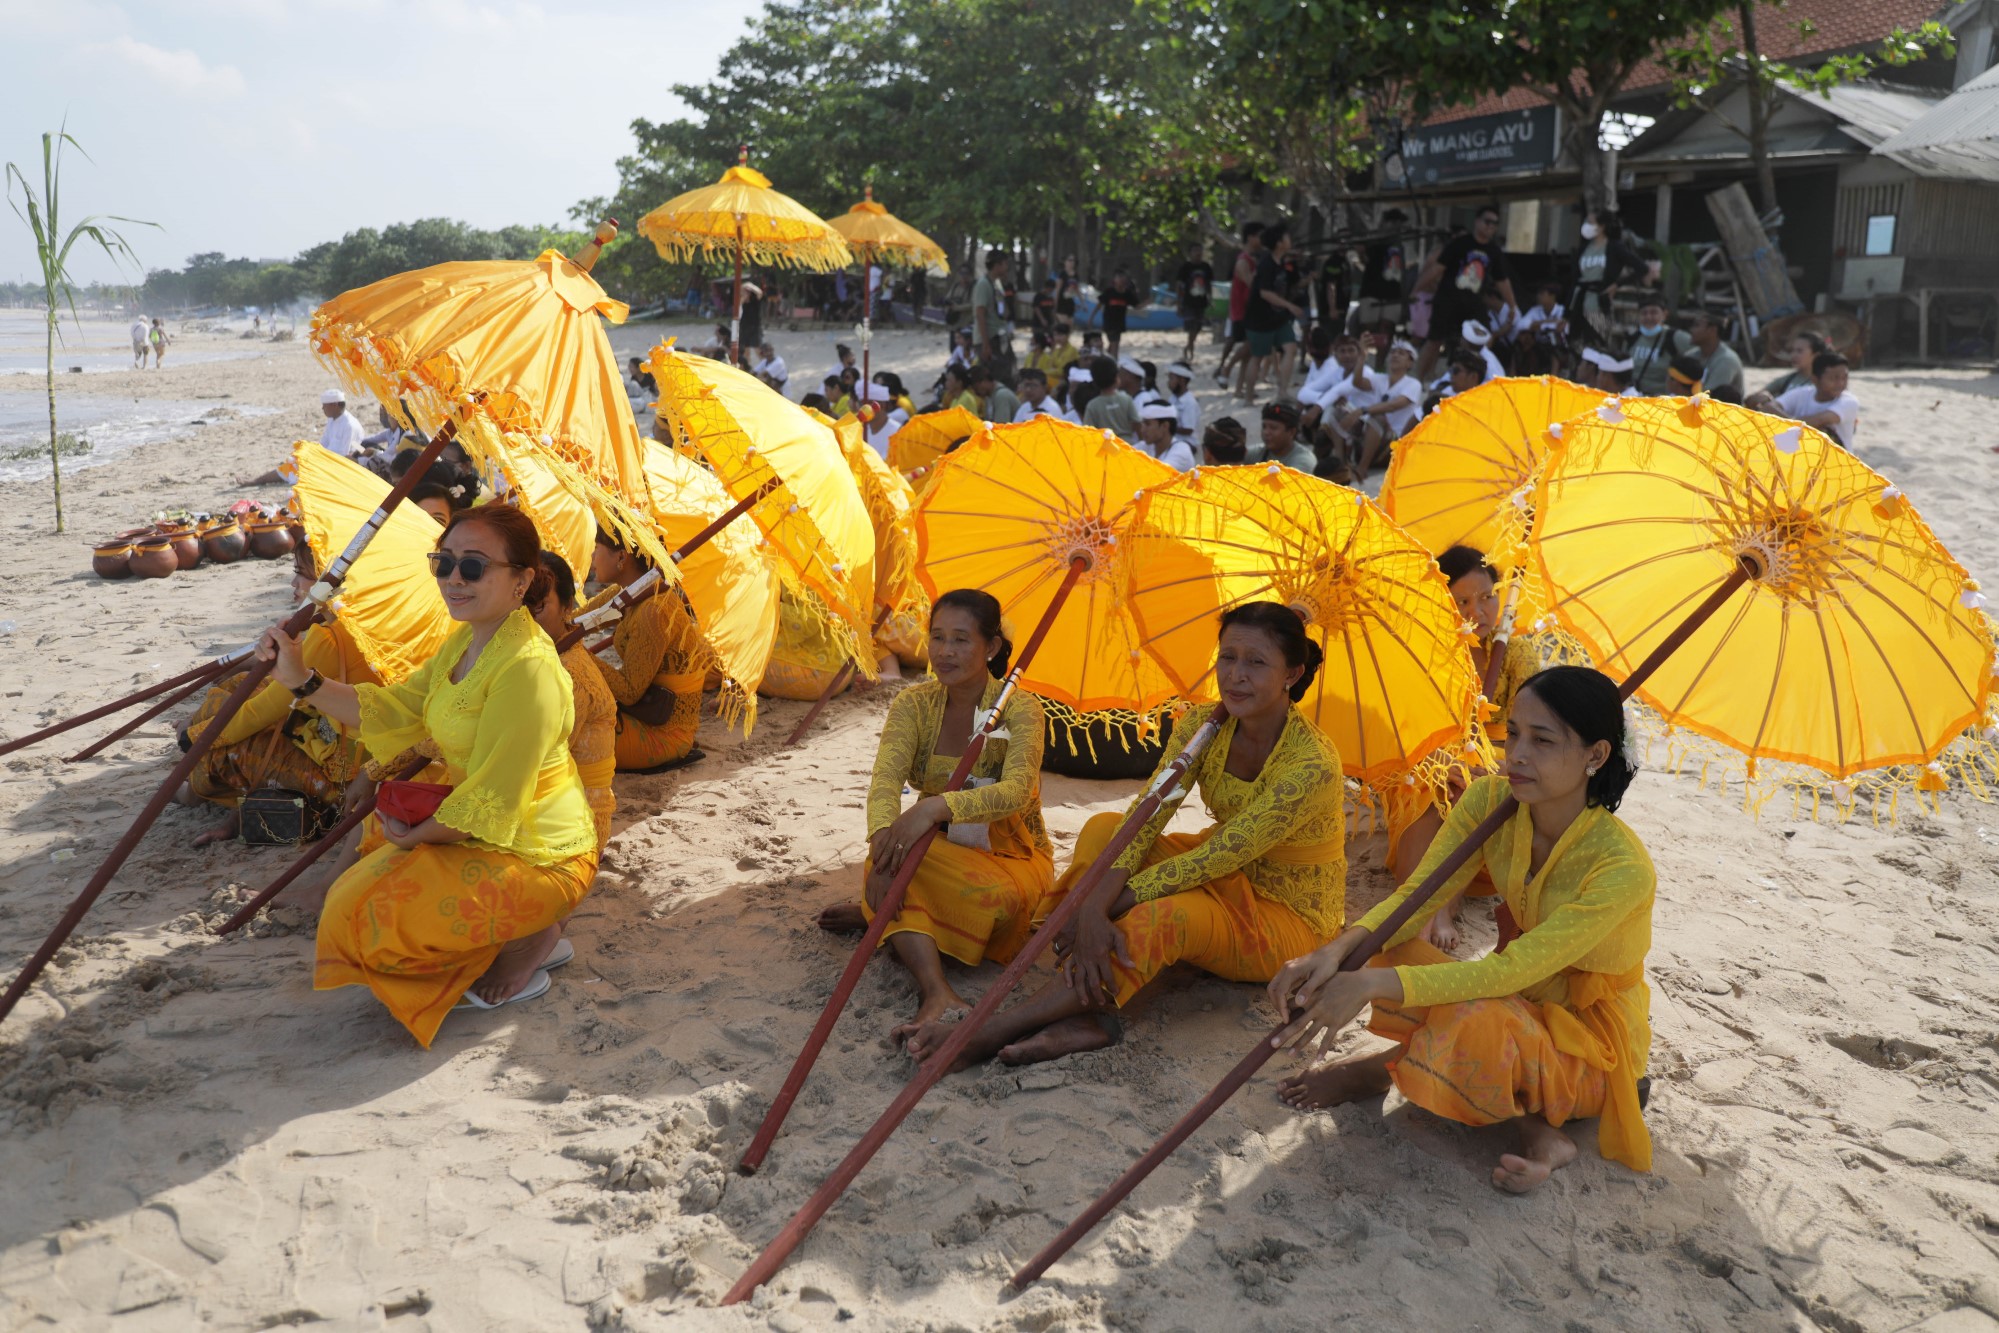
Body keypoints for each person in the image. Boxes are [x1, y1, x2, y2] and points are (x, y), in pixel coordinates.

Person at [901, 602, 1345, 1068]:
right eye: (1227, 657)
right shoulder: (1203, 725)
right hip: (1220, 873)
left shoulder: (1311, 762)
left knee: (1162, 915)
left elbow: (1220, 855)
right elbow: (1148, 814)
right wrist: (1098, 902)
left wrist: (1099, 905)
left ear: (1291, 674)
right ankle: (1089, 1004)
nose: (1235, 675)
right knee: (1104, 829)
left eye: (1256, 663)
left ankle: (994, 1028)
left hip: (1284, 913)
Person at [1270, 666, 1655, 1193]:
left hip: (1588, 1047)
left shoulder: (1621, 867)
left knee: (1475, 1022)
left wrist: (1370, 986)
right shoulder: (1491, 802)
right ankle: (1512, 1116)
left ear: (1596, 756)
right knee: (1392, 944)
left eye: (1542, 741)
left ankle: (1392, 1074)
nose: (1516, 754)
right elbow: (1414, 898)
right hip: (1514, 1001)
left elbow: (1518, 969)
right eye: (1513, 732)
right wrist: (1337, 953)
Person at [253, 504, 598, 1038]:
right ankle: (506, 936)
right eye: (444, 562)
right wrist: (302, 680)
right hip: (478, 824)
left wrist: (413, 838)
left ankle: (532, 936)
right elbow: (393, 708)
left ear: (522, 580)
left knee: (373, 925)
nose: (454, 579)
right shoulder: (467, 639)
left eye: (474, 567)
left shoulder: (527, 669)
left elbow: (494, 800)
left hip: (538, 848)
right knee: (348, 904)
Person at [813, 591, 1052, 1034]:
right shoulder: (914, 704)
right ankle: (935, 989)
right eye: (937, 637)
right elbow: (886, 779)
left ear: (992, 648)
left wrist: (935, 807)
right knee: (885, 859)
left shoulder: (1019, 708)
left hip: (1009, 860)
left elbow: (1016, 792)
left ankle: (876, 918)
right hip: (935, 848)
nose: (944, 651)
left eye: (961, 640)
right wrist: (881, 839)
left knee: (922, 874)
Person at [1381, 544, 1548, 948]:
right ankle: (1428, 910)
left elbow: (1536, 735)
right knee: (1433, 785)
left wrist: (1489, 766)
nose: (1479, 611)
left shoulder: (1515, 653)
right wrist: (1445, 761)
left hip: (1498, 763)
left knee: (1470, 792)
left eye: (1488, 597)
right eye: (1464, 601)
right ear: (1445, 606)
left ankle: (1441, 907)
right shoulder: (1431, 654)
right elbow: (1408, 732)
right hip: (1433, 758)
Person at [175, 541, 383, 847]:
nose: (293, 584)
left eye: (302, 575)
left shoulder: (331, 637)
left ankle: (192, 790)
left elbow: (264, 710)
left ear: (331, 582)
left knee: (223, 748)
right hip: (333, 735)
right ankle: (196, 778)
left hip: (343, 776)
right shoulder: (355, 618)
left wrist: (193, 738)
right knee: (238, 688)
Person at [586, 530, 706, 773]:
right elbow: (576, 622)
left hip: (661, 735)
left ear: (621, 557)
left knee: (559, 732)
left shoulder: (653, 610)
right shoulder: (628, 593)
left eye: (596, 549)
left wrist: (580, 654)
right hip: (643, 715)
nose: (591, 556)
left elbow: (630, 692)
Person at [530, 552, 616, 853]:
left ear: (567, 607)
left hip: (576, 821)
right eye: (519, 605)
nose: (525, 618)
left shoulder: (570, 674)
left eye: (538, 606)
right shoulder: (540, 653)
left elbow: (536, 761)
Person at [1413, 205, 1514, 381]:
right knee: (1435, 340)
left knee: (1483, 338)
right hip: (1448, 299)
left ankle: (1473, 379)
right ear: (1477, 222)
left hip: (1473, 302)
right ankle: (1417, 381)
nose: (1490, 226)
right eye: (1487, 221)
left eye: (1495, 223)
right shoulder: (1460, 244)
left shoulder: (1493, 251)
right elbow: (1437, 269)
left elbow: (1502, 280)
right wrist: (1416, 289)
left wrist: (1512, 305)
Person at [1240, 222, 1304, 405]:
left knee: (1291, 349)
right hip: (1260, 319)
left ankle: (1282, 392)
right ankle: (1248, 396)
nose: (1290, 240)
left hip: (1278, 318)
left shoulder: (1281, 262)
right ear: (1279, 243)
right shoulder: (1267, 264)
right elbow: (1264, 293)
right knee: (1257, 357)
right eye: (1287, 237)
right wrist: (1289, 306)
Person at [1569, 212, 1649, 347]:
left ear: (1601, 227)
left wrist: (1617, 284)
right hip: (1580, 299)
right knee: (1577, 343)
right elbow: (1574, 279)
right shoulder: (1584, 248)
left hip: (1599, 300)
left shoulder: (1614, 247)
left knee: (1597, 340)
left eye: (1590, 223)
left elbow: (1642, 268)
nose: (1586, 226)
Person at [1353, 341, 1424, 478]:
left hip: (1396, 440)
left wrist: (1363, 410)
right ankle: (1342, 462)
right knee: (1337, 412)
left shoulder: (1413, 384)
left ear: (1409, 363)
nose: (1395, 355)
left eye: (1401, 353)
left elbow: (1394, 405)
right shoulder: (1380, 379)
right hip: (1374, 436)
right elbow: (1357, 383)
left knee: (1376, 417)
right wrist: (1362, 357)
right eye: (1393, 352)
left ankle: (1362, 468)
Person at [1773, 351, 1859, 448]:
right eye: (1834, 378)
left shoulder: (1849, 401)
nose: (1840, 383)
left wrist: (1783, 422)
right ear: (1815, 379)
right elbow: (1769, 407)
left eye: (1845, 378)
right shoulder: (1802, 393)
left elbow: (1819, 420)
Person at [1216, 222, 1266, 387]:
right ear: (1251, 238)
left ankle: (1239, 387)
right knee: (1250, 345)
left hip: (1250, 310)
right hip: (1243, 311)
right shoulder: (1243, 262)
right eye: (1260, 236)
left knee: (1249, 351)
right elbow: (1254, 287)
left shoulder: (1251, 260)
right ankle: (1227, 369)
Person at [1354, 209, 1408, 335]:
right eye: (1394, 222)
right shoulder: (1373, 240)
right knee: (1368, 327)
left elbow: (1402, 271)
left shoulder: (1399, 244)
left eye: (1399, 223)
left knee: (1387, 328)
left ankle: (1381, 355)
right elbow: (1365, 260)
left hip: (1393, 291)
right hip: (1372, 289)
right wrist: (1360, 252)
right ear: (1385, 223)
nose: (1397, 226)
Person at [1628, 295, 1692, 397]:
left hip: (1664, 400)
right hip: (1635, 397)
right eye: (1644, 313)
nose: (1649, 317)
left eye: (1654, 312)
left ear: (1664, 315)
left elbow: (1699, 354)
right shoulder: (1633, 338)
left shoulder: (1676, 337)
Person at [1746, 331, 1829, 406]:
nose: (1793, 355)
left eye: (1799, 351)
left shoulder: (1823, 383)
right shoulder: (1789, 379)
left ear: (1816, 355)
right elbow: (1751, 398)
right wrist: (1762, 397)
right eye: (1792, 351)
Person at [1686, 311, 1744, 403]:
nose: (1691, 330)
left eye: (1697, 325)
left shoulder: (1726, 361)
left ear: (1712, 330)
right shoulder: (1691, 356)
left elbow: (1708, 398)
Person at [971, 249, 1012, 373]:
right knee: (996, 376)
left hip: (1000, 337)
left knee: (1008, 373)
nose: (1007, 267)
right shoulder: (983, 284)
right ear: (997, 265)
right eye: (1005, 264)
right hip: (989, 339)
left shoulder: (997, 283)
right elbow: (980, 314)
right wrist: (986, 344)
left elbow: (1002, 310)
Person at [1080, 355, 1137, 443]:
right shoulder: (1126, 399)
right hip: (1128, 447)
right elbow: (1137, 423)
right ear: (1116, 377)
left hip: (1106, 449)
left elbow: (1088, 433)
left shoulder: (1092, 405)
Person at [1514, 284, 1569, 375]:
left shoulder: (1562, 310)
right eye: (1538, 294)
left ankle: (1553, 376)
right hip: (1539, 345)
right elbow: (1520, 325)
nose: (1538, 296)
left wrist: (1537, 325)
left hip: (1560, 347)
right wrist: (1547, 322)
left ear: (1552, 296)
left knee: (1554, 339)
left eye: (1542, 294)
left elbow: (1563, 328)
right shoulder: (1535, 310)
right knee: (1520, 339)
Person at [1251, 400, 1317, 472]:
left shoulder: (1303, 460)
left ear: (1291, 432)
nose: (1266, 432)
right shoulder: (1258, 452)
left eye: (1273, 428)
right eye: (1264, 427)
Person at [1176, 244, 1214, 364]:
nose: (1198, 253)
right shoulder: (1186, 267)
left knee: (1198, 327)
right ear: (1190, 253)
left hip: (1202, 302)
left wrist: (1211, 299)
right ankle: (1190, 348)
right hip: (1188, 301)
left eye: (1200, 250)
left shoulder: (1206, 267)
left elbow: (1210, 284)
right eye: (1195, 251)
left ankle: (1189, 345)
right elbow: (1179, 285)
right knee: (1191, 325)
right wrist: (1178, 302)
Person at [1135, 401, 1198, 471]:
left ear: (1165, 426)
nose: (1142, 430)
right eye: (1142, 424)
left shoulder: (1181, 451)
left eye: (1148, 424)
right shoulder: (1145, 446)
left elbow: (1158, 474)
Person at [1100, 265, 1140, 357]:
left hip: (1119, 324)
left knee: (1112, 345)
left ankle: (1105, 359)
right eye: (1119, 277)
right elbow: (1099, 304)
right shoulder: (1109, 292)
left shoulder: (1127, 294)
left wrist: (1149, 301)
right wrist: (1091, 318)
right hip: (1109, 323)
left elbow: (1137, 306)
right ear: (1114, 280)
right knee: (1115, 345)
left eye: (1123, 277)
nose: (1122, 279)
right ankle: (1112, 363)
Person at [1013, 367, 1077, 424]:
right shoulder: (1024, 407)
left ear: (1044, 387)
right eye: (1026, 385)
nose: (1028, 390)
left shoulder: (1052, 409)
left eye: (1033, 385)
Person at [319, 389, 368, 459]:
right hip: (329, 457)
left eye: (324, 405)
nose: (322, 408)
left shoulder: (349, 425)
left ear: (334, 405)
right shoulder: (331, 419)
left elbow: (344, 454)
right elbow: (324, 443)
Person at [863, 383, 909, 457]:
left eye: (869, 404)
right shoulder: (862, 431)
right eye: (861, 404)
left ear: (882, 405)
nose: (864, 409)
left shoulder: (897, 432)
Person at [1162, 362, 1200, 446]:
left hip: (1187, 443)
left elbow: (1188, 430)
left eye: (1171, 379)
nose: (1169, 383)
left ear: (1182, 380)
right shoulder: (1173, 398)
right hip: (1174, 440)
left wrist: (1166, 428)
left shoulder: (1189, 402)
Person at [1459, 320, 1506, 385]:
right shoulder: (1471, 356)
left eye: (1462, 338)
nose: (1460, 340)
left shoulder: (1489, 362)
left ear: (1467, 343)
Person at [737, 281, 766, 364]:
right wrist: (743, 296)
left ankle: (766, 366)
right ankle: (748, 368)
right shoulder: (741, 302)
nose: (742, 294)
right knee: (746, 351)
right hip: (744, 327)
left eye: (744, 292)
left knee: (758, 349)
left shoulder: (755, 301)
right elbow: (738, 307)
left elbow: (760, 292)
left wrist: (750, 285)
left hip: (755, 327)